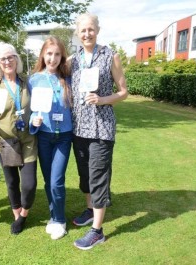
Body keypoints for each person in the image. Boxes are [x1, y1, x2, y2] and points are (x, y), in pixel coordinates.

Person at [69, 13, 128, 250]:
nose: (87, 34)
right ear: (77, 33)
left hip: (101, 129)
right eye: (83, 30)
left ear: (98, 30)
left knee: (98, 177)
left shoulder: (110, 56)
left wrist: (103, 99)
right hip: (78, 128)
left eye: (91, 29)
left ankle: (97, 231)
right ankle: (91, 209)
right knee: (85, 176)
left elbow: (123, 91)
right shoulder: (73, 60)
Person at [0, 42, 38, 235]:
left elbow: (37, 106)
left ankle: (24, 213)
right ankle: (17, 215)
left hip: (28, 141)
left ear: (16, 59)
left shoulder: (28, 83)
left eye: (10, 57)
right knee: (12, 182)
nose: (7, 61)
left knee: (29, 184)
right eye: (3, 59)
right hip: (4, 143)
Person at [28, 36, 73, 240]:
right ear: (43, 55)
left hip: (64, 137)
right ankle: (54, 217)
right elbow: (29, 110)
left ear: (61, 56)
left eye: (57, 54)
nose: (52, 58)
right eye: (49, 54)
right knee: (48, 181)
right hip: (44, 136)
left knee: (57, 181)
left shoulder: (69, 78)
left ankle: (60, 220)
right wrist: (32, 121)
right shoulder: (34, 80)